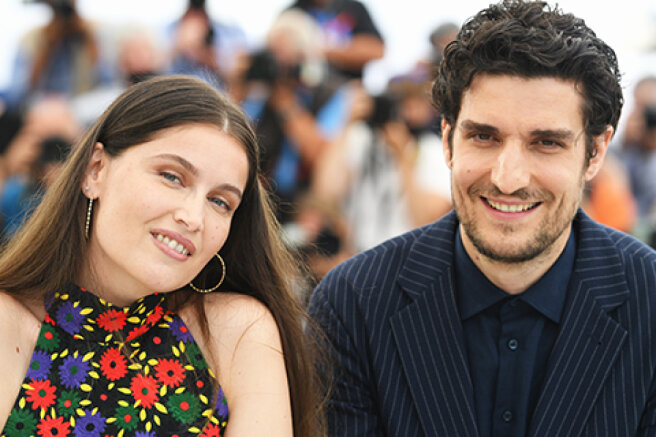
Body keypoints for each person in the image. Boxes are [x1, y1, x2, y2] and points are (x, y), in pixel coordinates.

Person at [309, 1, 656, 436]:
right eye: (484, 136)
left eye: (546, 142)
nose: (508, 179)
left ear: (596, 152)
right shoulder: (353, 305)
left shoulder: (651, 302)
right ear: (448, 141)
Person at [0, 76, 323, 436]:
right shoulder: (8, 325)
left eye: (220, 201)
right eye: (172, 177)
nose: (194, 217)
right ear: (95, 170)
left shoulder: (237, 332)